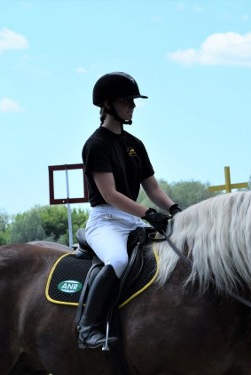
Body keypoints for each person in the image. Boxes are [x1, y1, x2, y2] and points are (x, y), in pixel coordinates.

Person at [78, 72, 180, 349]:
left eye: (133, 101)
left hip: (133, 220)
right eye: (127, 101)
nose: (132, 106)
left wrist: (174, 208)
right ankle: (88, 328)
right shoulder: (96, 144)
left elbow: (153, 189)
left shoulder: (135, 144)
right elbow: (110, 194)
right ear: (108, 104)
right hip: (106, 220)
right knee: (118, 261)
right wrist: (148, 214)